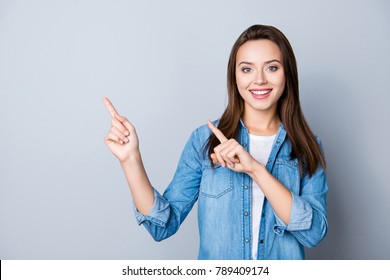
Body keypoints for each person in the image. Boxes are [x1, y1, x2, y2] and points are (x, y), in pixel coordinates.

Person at [103, 24, 328, 260]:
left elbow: (314, 234)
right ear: (235, 76)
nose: (259, 80)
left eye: (272, 67)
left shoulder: (307, 146)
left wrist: (256, 170)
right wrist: (131, 160)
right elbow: (162, 226)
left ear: (287, 74)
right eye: (247, 69)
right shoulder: (204, 140)